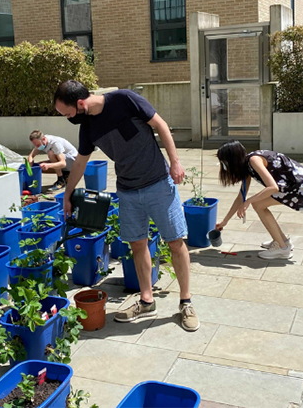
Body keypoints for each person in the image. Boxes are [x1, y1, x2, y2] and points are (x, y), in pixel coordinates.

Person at [53, 81, 199, 332]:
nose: (67, 118)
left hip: (158, 184)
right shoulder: (88, 127)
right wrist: (67, 195)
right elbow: (79, 164)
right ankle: (146, 300)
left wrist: (175, 162)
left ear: (80, 103)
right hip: (128, 191)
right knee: (137, 244)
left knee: (175, 241)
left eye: (66, 113)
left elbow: (160, 125)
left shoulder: (124, 99)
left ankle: (185, 302)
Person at [214, 141, 303, 260]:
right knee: (258, 204)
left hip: (302, 186)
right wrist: (224, 222)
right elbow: (240, 197)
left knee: (258, 204)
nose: (223, 165)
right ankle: (282, 241)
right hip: (296, 184)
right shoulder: (247, 166)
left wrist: (248, 202)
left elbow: (273, 187)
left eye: (224, 161)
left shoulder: (254, 160)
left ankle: (282, 249)